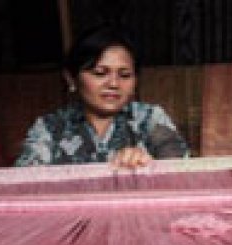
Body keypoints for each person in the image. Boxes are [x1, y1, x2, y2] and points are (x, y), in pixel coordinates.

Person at [15, 25, 189, 168]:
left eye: (125, 75)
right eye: (100, 73)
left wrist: (146, 163)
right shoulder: (50, 128)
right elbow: (26, 184)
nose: (113, 84)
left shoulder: (149, 118)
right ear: (71, 78)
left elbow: (179, 167)